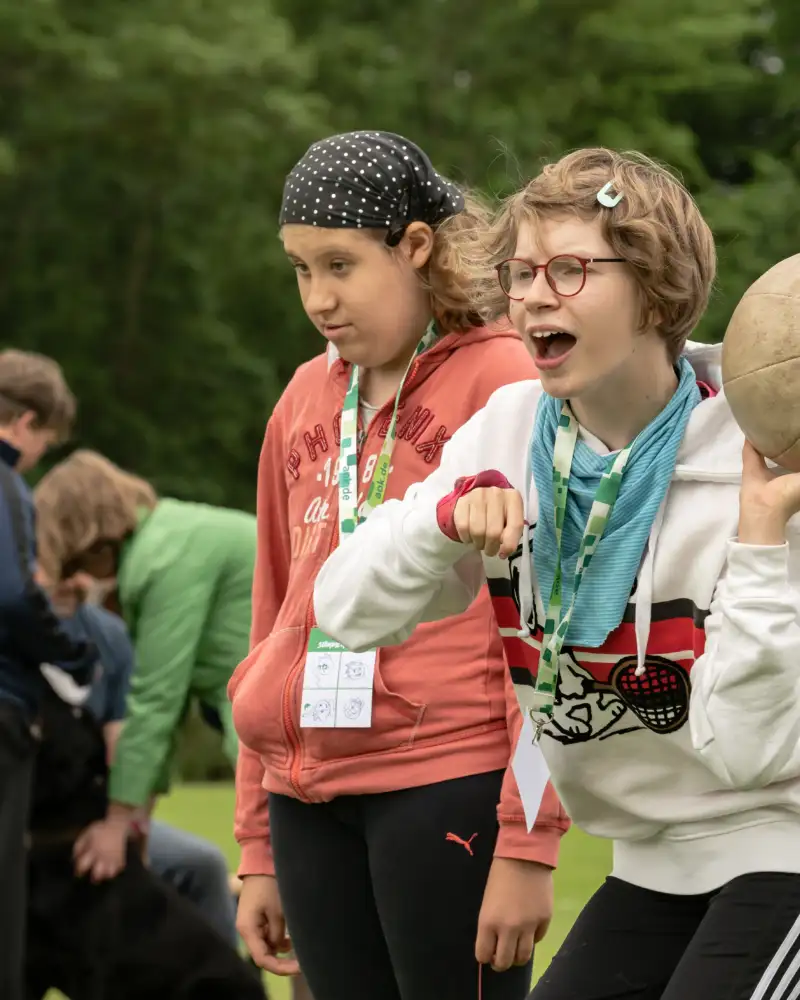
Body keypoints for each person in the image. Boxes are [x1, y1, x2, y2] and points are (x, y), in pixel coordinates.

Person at [313, 146, 800, 1000]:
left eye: (571, 270)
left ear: (655, 290)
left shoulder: (759, 453)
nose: (533, 295)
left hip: (781, 840)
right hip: (648, 858)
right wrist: (439, 520)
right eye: (522, 271)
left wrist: (762, 540)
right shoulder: (507, 430)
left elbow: (752, 750)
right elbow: (344, 608)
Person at [229, 130, 569, 1000]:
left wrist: (527, 842)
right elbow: (274, 617)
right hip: (304, 799)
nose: (318, 297)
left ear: (416, 247)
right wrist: (256, 847)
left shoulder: (509, 384)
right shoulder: (305, 395)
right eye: (301, 269)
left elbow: (551, 624)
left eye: (340, 265)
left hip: (445, 780)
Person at [32, 450, 254, 885]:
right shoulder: (174, 534)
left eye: (75, 563)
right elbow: (169, 708)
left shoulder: (165, 559)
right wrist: (139, 821)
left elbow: (155, 701)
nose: (81, 580)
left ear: (91, 540)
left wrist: (116, 825)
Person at [48, 572, 240, 948]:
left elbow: (130, 736)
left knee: (201, 865)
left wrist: (129, 828)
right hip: (28, 816)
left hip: (95, 816)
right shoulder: (18, 625)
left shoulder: (108, 634)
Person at [0, 348, 97, 1000]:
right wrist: (71, 650)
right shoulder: (6, 482)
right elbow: (10, 595)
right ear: (24, 422)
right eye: (43, 445)